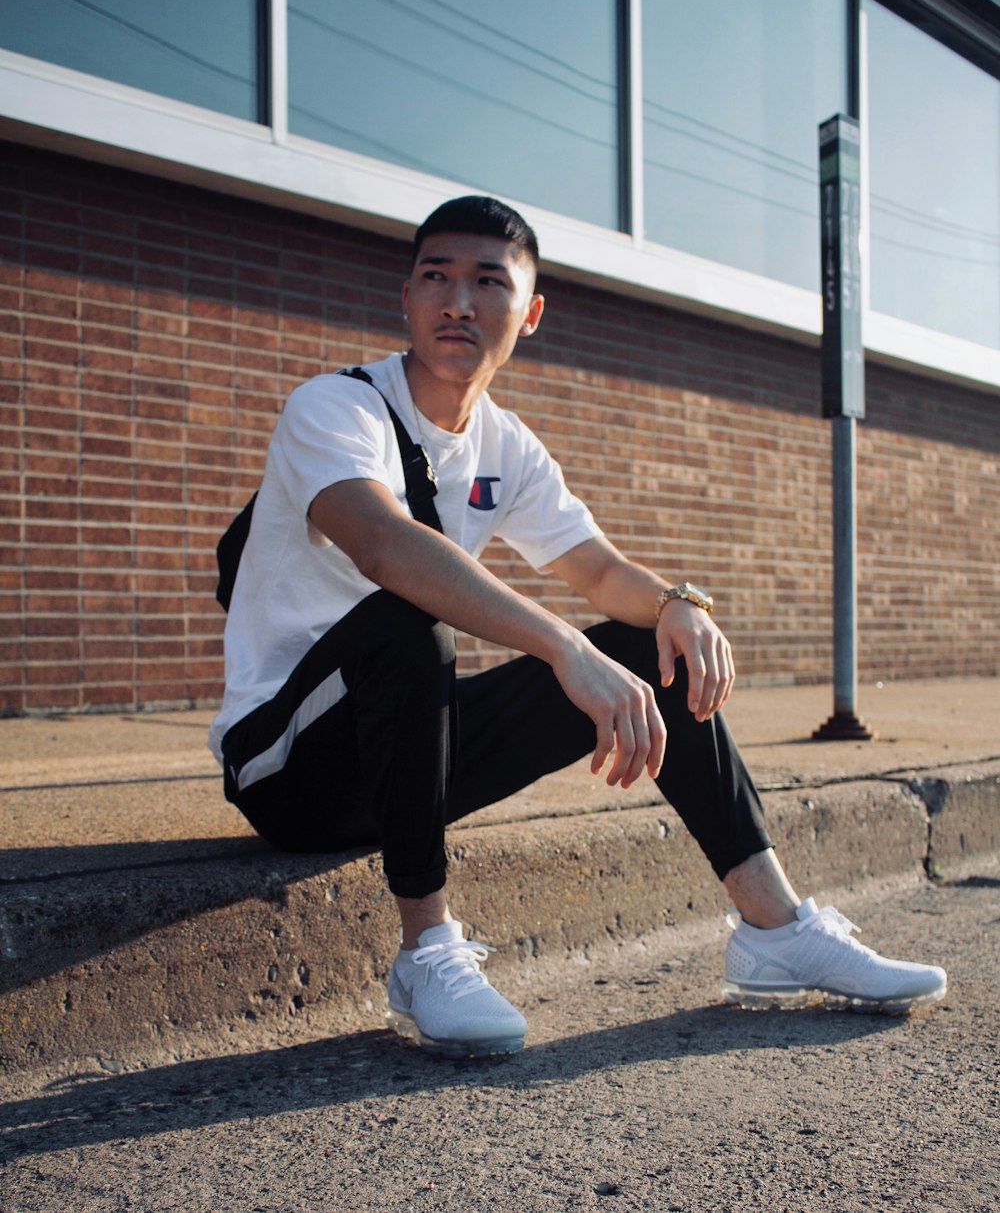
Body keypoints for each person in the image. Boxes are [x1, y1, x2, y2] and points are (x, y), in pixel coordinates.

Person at [209, 196, 946, 1059]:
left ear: (531, 313)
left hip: (405, 759)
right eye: (438, 278)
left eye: (489, 282)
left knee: (643, 648)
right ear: (405, 296)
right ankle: (424, 952)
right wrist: (564, 647)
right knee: (410, 622)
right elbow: (382, 546)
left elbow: (597, 570)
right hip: (288, 766)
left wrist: (679, 603)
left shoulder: (506, 445)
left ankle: (775, 930)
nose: (459, 302)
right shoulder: (336, 409)